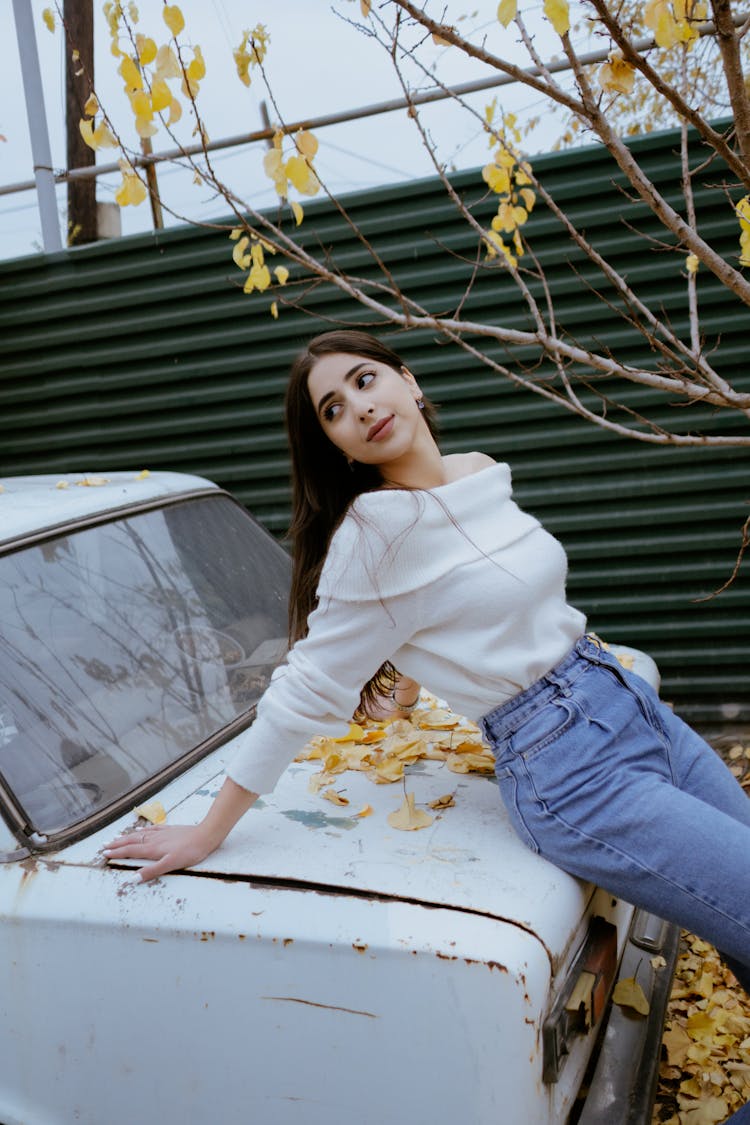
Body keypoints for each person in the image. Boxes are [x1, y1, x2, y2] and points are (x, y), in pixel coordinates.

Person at [105, 331, 750, 1049]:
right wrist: (209, 829)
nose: (358, 405)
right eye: (333, 408)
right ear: (341, 447)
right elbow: (303, 687)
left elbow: (448, 599)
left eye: (365, 378)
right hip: (570, 768)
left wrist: (408, 674)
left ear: (408, 382)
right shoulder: (373, 535)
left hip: (626, 702)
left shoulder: (475, 471)